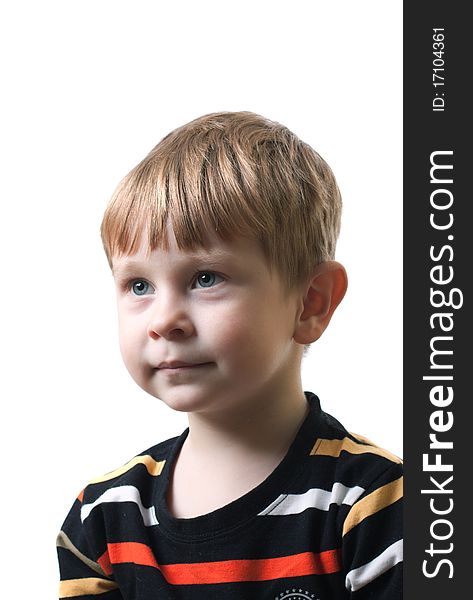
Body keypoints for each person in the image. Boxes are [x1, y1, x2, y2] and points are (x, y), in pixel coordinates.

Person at [56, 111, 403, 599]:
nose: (162, 320)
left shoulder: (378, 506)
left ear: (311, 302)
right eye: (139, 285)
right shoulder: (103, 518)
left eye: (205, 278)